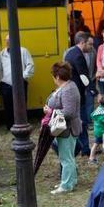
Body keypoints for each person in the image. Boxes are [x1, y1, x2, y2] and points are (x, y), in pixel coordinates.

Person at [45, 62, 81, 194]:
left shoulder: (68, 89)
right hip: (65, 129)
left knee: (66, 158)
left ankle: (66, 185)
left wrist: (51, 112)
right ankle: (70, 181)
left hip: (67, 129)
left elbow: (69, 112)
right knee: (67, 157)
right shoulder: (67, 86)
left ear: (57, 77)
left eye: (53, 76)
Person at [65, 31, 95, 155]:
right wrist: (93, 91)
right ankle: (85, 148)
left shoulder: (69, 53)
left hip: (70, 90)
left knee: (75, 121)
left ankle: (78, 146)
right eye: (89, 44)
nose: (91, 47)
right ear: (82, 43)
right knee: (81, 120)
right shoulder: (78, 56)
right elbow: (84, 76)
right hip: (77, 93)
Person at [0, 34, 35, 131]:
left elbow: (30, 65)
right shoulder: (2, 53)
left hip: (20, 83)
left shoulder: (23, 51)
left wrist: (22, 76)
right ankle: (10, 125)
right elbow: (0, 69)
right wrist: (2, 79)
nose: (7, 42)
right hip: (6, 84)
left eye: (9, 40)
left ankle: (22, 123)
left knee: (21, 104)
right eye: (6, 40)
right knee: (8, 106)